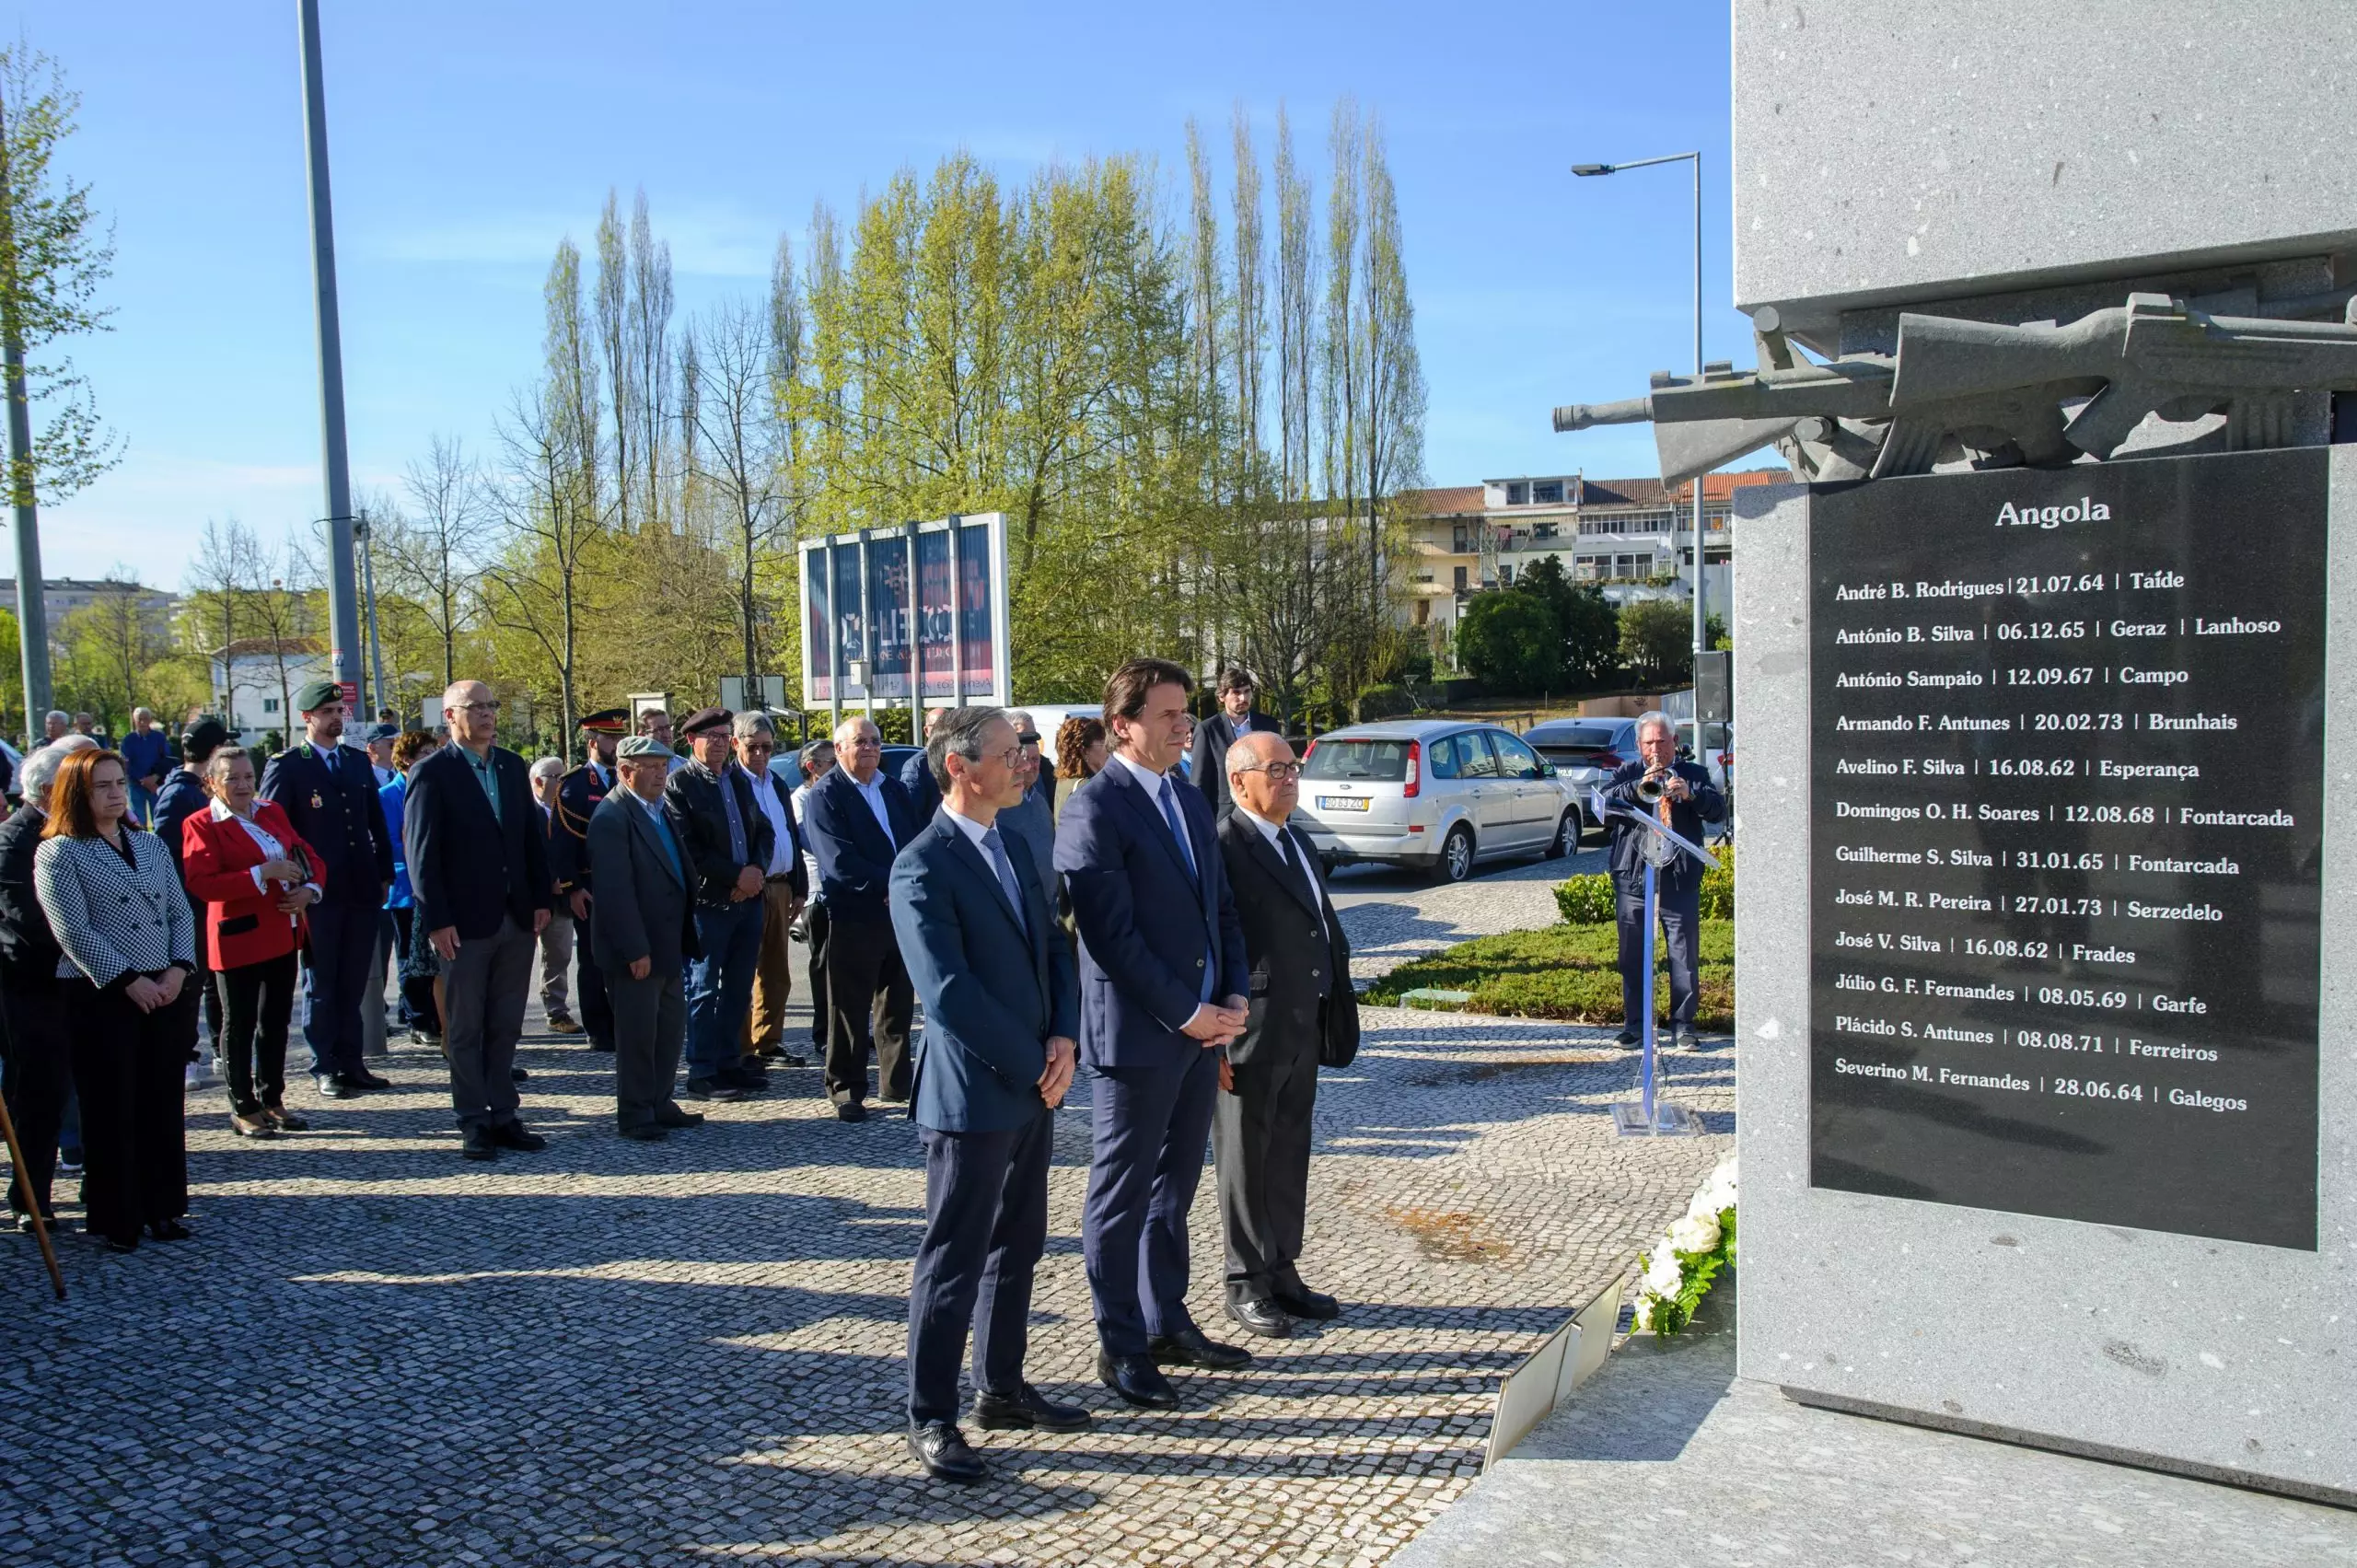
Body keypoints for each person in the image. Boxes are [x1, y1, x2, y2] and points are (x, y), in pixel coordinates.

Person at [892, 706, 1088, 1484]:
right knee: (954, 1256)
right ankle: (931, 1413)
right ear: (961, 767)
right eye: (1010, 753)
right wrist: (1032, 1062)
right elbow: (948, 994)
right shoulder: (923, 864)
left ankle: (1001, 1386)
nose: (1025, 763)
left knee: (1019, 1244)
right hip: (973, 1095)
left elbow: (1053, 942)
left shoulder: (1010, 839)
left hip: (1034, 1083)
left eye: (1027, 749)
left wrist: (1065, 1038)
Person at [1054, 658, 1252, 1408]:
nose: (1183, 726)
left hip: (1201, 1028)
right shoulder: (1093, 809)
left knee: (1174, 1188)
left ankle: (1170, 1318)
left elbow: (1220, 908)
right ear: (1123, 725)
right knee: (1122, 1192)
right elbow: (1111, 937)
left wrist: (1230, 992)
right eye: (1168, 715)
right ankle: (1121, 1343)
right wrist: (1186, 1010)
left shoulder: (1189, 801)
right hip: (1139, 1036)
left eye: (1184, 712)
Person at [1213, 731, 1356, 1338]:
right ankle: (1244, 1279)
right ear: (1239, 781)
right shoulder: (1224, 844)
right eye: (1275, 769)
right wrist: (1216, 1027)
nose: (1289, 777)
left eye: (1293, 766)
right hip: (1250, 1025)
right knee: (1245, 1156)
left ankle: (1281, 1268)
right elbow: (1212, 937)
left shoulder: (1294, 836)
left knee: (1289, 1150)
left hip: (1302, 1020)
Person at [34, 749, 198, 1251]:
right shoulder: (59, 852)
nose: (114, 794)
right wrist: (128, 980)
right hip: (103, 992)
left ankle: (164, 1206)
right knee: (113, 1105)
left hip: (164, 986)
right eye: (101, 786)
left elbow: (179, 912)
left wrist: (178, 969)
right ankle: (117, 1214)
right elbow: (73, 930)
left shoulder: (147, 844)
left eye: (119, 783)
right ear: (76, 795)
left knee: (161, 1102)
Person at [404, 679, 554, 1160]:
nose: (488, 715)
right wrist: (436, 920)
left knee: (506, 1022)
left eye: (492, 706)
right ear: (450, 716)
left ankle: (505, 1114)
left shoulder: (511, 766)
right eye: (477, 708)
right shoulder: (431, 774)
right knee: (466, 1026)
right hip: (463, 924)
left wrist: (538, 898)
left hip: (515, 916)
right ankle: (473, 1119)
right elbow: (421, 857)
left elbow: (531, 840)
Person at [261, 680, 397, 1100]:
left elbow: (374, 821)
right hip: (317, 892)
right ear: (308, 718)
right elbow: (272, 828)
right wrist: (295, 880)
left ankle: (352, 1061)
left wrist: (383, 872)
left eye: (341, 711)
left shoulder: (356, 762)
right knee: (323, 981)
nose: (338, 718)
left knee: (355, 979)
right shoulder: (289, 765)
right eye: (329, 712)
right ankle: (325, 1064)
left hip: (360, 887)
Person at [179, 747, 322, 1139]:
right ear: (212, 783)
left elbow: (306, 854)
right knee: (239, 1024)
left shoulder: (270, 812)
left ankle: (272, 1097)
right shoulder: (201, 823)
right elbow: (202, 882)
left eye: (248, 777)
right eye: (232, 779)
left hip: (281, 928)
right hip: (236, 936)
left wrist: (309, 889)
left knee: (275, 1021)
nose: (243, 785)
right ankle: (242, 1105)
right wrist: (261, 872)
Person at [587, 735, 706, 1141]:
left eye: (663, 765)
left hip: (668, 941)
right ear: (625, 771)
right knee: (638, 1035)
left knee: (669, 1030)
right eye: (652, 767)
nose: (662, 773)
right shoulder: (612, 816)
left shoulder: (657, 808)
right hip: (637, 950)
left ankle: (661, 1101)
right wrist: (635, 949)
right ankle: (636, 1112)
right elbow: (615, 892)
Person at [803, 715, 918, 1121]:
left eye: (875, 740)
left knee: (897, 1002)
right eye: (859, 741)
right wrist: (888, 886)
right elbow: (837, 860)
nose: (869, 747)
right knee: (848, 1007)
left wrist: (907, 886)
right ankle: (846, 1088)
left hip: (899, 911)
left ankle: (897, 1081)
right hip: (854, 913)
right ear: (839, 749)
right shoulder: (826, 795)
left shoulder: (894, 789)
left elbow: (915, 841)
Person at [0, 741, 90, 1233]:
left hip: (86, 984)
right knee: (41, 1098)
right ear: (51, 789)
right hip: (35, 991)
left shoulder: (85, 832)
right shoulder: (14, 840)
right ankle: (30, 1196)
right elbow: (31, 922)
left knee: (94, 1089)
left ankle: (101, 1184)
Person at [664, 708, 772, 1101]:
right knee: (704, 987)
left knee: (740, 987)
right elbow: (687, 848)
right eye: (711, 736)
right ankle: (701, 1070)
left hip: (749, 900)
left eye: (725, 735)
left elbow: (764, 829)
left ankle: (730, 1061)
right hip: (710, 903)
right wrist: (735, 877)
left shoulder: (738, 781)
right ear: (691, 741)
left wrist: (756, 871)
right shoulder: (679, 785)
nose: (720, 742)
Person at [1602, 710, 1726, 1051]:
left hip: (1679, 875)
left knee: (1683, 955)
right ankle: (1636, 1025)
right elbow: (1604, 808)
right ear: (1640, 746)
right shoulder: (1626, 773)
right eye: (1648, 742)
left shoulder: (1694, 773)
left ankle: (1684, 1026)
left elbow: (1718, 811)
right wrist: (1639, 787)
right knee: (1632, 954)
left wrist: (1691, 795)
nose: (1655, 748)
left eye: (1661, 741)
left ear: (1674, 742)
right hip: (1634, 876)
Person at [732, 713, 810, 1069]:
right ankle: (742, 1046)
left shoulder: (777, 783)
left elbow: (790, 835)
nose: (761, 754)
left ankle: (768, 1041)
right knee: (743, 970)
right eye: (753, 747)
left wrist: (798, 886)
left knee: (777, 971)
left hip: (780, 886)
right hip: (748, 889)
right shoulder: (731, 782)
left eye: (767, 746)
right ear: (737, 745)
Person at [548, 709, 628, 1050]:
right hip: (590, 885)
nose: (616, 744)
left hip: (624, 883)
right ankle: (599, 1028)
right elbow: (562, 842)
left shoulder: (624, 777)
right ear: (593, 741)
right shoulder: (575, 784)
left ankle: (623, 1021)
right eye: (610, 738)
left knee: (625, 954)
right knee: (594, 959)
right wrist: (572, 888)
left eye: (618, 737)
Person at [157, 718, 231, 1066]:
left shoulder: (195, 789)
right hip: (192, 904)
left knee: (215, 978)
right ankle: (185, 1056)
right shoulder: (179, 794)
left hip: (210, 901)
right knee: (193, 980)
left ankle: (219, 1048)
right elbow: (168, 858)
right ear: (214, 752)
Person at [381, 731, 441, 1042]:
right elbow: (390, 843)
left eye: (435, 750)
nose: (432, 757)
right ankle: (418, 1019)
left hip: (434, 886)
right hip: (405, 891)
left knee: (435, 960)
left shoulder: (436, 787)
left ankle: (435, 1015)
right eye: (425, 752)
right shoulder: (389, 795)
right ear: (406, 758)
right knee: (410, 957)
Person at [789, 738, 835, 1057]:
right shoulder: (802, 799)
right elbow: (810, 840)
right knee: (823, 965)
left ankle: (848, 1029)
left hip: (842, 891)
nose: (837, 767)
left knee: (847, 966)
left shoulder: (834, 794)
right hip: (818, 890)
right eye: (830, 763)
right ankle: (823, 1032)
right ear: (811, 767)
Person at [1188, 668, 1282, 817]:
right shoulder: (1208, 730)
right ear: (1221, 697)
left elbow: (1278, 768)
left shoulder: (1268, 725)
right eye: (1236, 692)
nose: (1243, 698)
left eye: (1247, 691)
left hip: (1264, 812)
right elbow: (1199, 782)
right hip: (1225, 817)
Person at [528, 755, 578, 1032]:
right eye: (558, 777)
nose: (563, 782)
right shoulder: (525, 812)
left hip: (566, 896)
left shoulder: (566, 810)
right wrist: (549, 880)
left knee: (560, 954)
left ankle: (558, 1011)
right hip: (536, 897)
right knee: (539, 956)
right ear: (538, 782)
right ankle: (549, 1012)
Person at [993, 712, 1057, 910]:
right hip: (1021, 905)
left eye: (1037, 759)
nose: (1033, 765)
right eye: (1028, 759)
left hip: (1049, 905)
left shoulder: (1039, 800)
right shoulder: (1002, 806)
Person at [899, 707, 951, 828]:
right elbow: (909, 815)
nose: (943, 731)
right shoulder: (916, 766)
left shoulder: (959, 760)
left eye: (948, 725)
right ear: (927, 731)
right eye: (938, 726)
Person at [120, 708, 169, 827]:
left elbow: (167, 759)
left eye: (145, 719)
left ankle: (157, 843)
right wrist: (143, 780)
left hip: (156, 784)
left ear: (150, 720)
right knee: (138, 819)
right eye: (139, 719)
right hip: (135, 784)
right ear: (134, 721)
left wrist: (155, 777)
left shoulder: (159, 738)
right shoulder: (128, 740)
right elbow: (126, 763)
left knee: (158, 816)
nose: (142, 722)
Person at [1052, 716, 1107, 822]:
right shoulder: (1087, 786)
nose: (1109, 750)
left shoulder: (1064, 780)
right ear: (1085, 751)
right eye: (1103, 744)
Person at [637, 705, 689, 775]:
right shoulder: (635, 768)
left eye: (668, 727)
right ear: (642, 735)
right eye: (659, 730)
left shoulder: (684, 765)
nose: (666, 734)